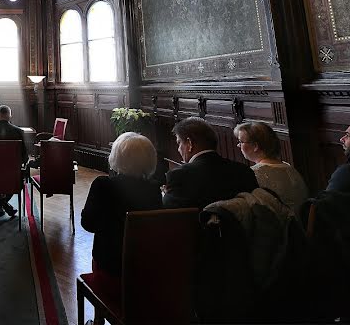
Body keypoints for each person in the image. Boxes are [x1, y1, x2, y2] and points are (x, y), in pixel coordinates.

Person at [81, 133, 161, 290]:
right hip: (144, 270)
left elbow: (88, 224)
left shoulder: (103, 185)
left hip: (111, 272)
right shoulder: (154, 190)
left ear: (116, 157)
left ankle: (101, 313)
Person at [162, 117, 258, 209]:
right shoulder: (244, 171)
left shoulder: (179, 176)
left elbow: (170, 213)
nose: (178, 149)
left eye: (179, 143)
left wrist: (167, 195)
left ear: (190, 143)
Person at [233, 121, 308, 211]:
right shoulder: (288, 167)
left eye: (241, 141)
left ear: (255, 146)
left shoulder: (253, 173)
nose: (238, 145)